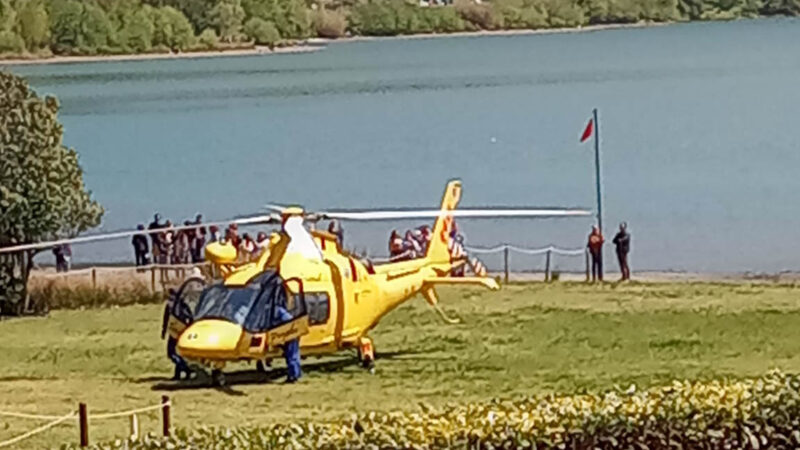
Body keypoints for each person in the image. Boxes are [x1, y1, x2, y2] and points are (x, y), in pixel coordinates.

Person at [161, 289, 192, 380]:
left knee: (171, 352)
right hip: (183, 329)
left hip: (174, 330)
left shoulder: (169, 304)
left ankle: (185, 368)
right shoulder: (183, 303)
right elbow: (190, 316)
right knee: (179, 352)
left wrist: (164, 331)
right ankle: (178, 375)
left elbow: (166, 319)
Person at [274, 303, 301, 383]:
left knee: (292, 356)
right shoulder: (285, 314)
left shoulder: (280, 314)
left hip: (290, 336)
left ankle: (293, 376)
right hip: (293, 335)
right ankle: (295, 374)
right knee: (294, 355)